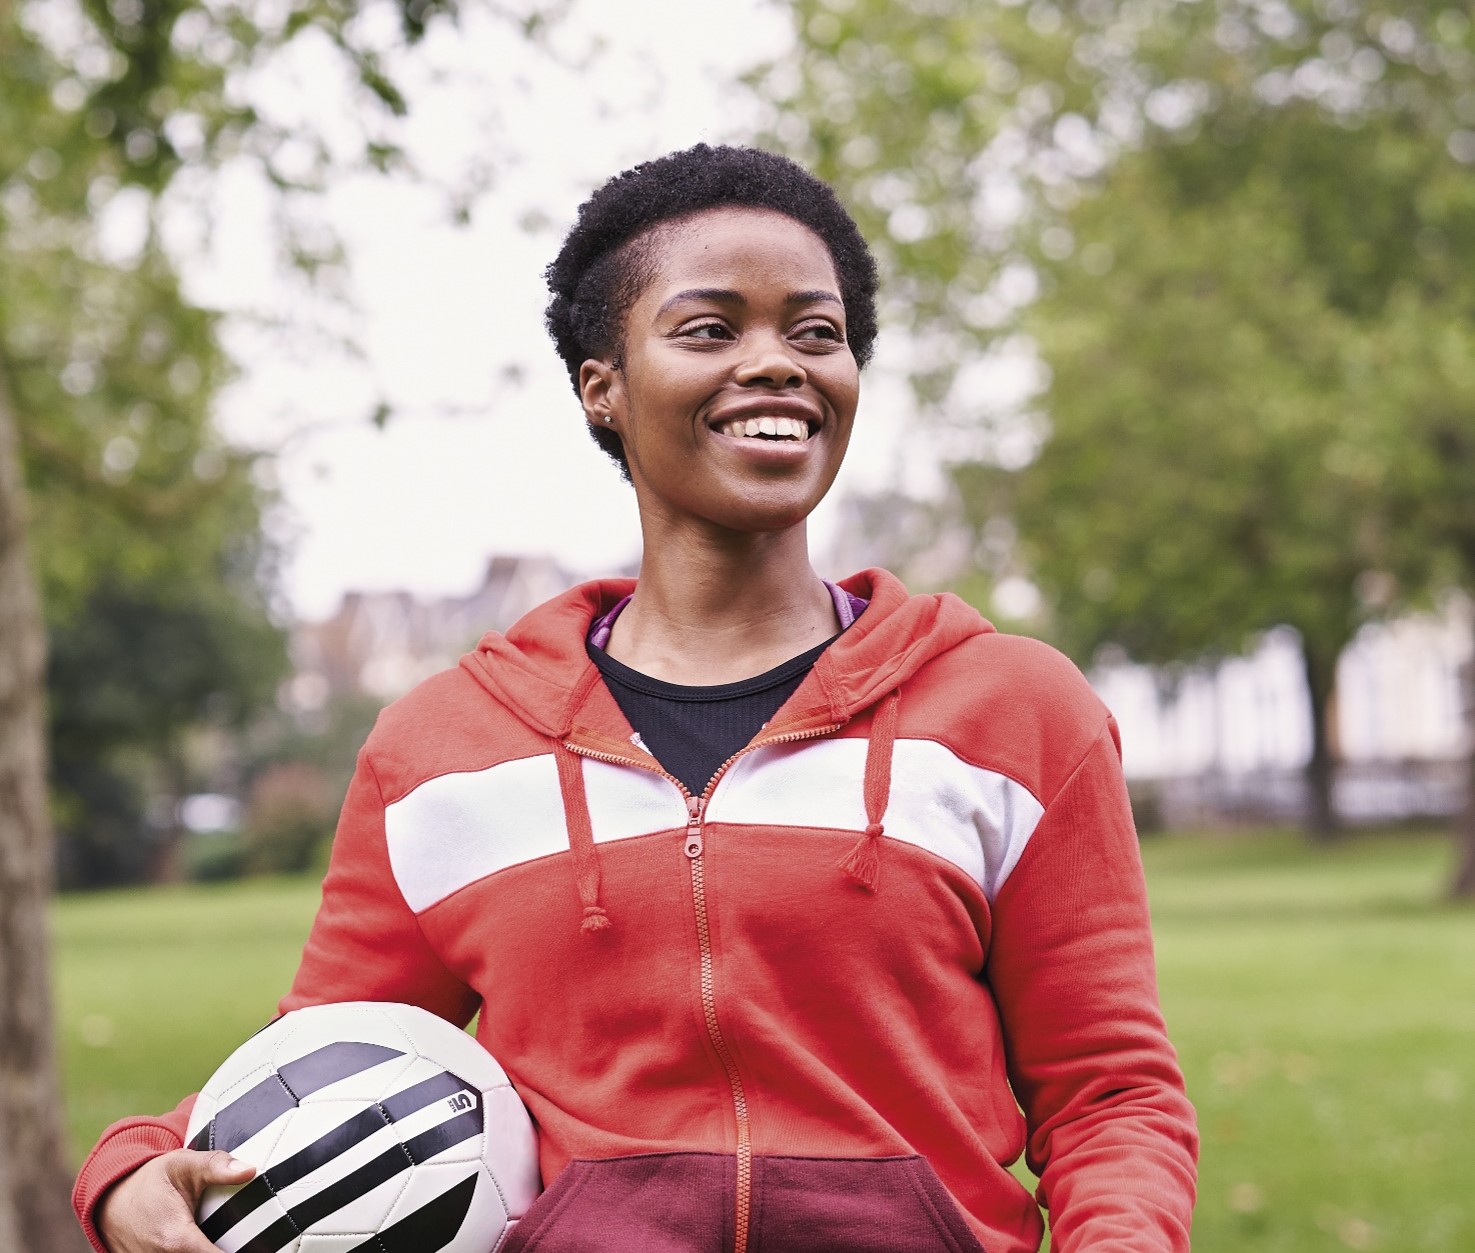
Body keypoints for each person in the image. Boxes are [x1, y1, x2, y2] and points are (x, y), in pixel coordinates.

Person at [75, 144, 1199, 1253]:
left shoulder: (1012, 711)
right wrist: (135, 1161)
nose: (778, 362)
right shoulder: (443, 748)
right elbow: (330, 1056)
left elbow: (1109, 1092)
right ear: (599, 387)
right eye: (710, 328)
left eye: (817, 332)